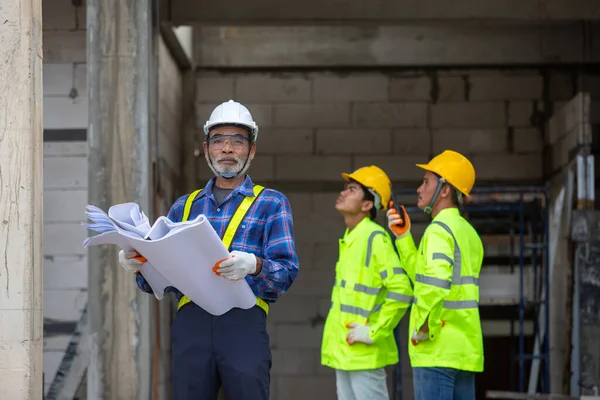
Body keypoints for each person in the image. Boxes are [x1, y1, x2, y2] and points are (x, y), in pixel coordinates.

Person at [118, 100, 299, 400]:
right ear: (206, 150)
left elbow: (287, 273)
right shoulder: (183, 207)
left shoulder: (271, 203)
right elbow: (159, 279)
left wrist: (254, 265)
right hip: (192, 324)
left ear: (251, 151)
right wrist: (138, 264)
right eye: (219, 141)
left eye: (237, 141)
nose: (227, 149)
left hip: (244, 320)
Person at [386, 150, 484, 400]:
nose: (419, 188)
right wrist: (404, 237)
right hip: (465, 350)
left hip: (436, 349)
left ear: (444, 190)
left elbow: (437, 285)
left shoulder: (438, 231)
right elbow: (423, 276)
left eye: (426, 181)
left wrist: (423, 327)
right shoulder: (469, 233)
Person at [321, 165, 414, 400]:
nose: (343, 193)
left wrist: (374, 331)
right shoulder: (351, 238)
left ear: (367, 204)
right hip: (346, 352)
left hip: (364, 352)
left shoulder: (375, 238)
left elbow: (402, 290)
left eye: (352, 189)